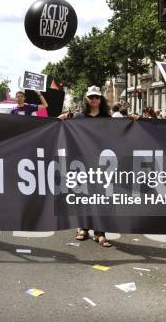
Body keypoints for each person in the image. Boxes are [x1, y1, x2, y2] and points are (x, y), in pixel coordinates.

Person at [59, 86, 112, 247]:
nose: (94, 100)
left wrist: (132, 120)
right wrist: (63, 117)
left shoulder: (107, 118)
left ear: (100, 99)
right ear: (86, 99)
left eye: (97, 97)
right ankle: (83, 228)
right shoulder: (79, 117)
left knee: (100, 198)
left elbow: (120, 131)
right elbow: (61, 124)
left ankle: (100, 232)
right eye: (91, 97)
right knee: (84, 196)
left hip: (102, 163)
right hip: (82, 162)